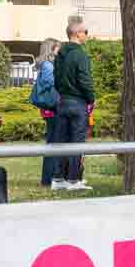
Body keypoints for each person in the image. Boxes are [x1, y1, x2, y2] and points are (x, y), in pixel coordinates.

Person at [48, 15, 94, 191]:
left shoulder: (60, 54)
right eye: (85, 32)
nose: (87, 35)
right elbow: (85, 80)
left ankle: (58, 178)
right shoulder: (79, 54)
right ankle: (73, 180)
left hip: (63, 101)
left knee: (61, 141)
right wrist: (91, 98)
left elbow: (56, 77)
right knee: (77, 142)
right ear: (77, 34)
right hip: (78, 102)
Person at [29, 37, 62, 187]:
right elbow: (48, 82)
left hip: (49, 109)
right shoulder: (49, 65)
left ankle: (48, 178)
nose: (59, 50)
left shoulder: (45, 65)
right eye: (57, 48)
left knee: (52, 143)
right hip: (53, 108)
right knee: (54, 144)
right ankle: (49, 178)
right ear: (51, 49)